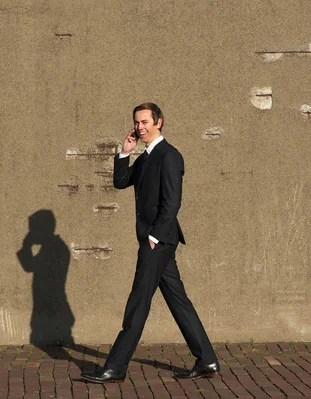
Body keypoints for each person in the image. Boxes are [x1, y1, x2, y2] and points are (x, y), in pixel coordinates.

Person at [81, 102, 219, 383]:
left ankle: (115, 367)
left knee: (138, 301)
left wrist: (154, 237)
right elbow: (121, 182)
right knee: (179, 302)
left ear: (159, 122)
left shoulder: (170, 156)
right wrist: (124, 153)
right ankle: (207, 358)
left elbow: (172, 202)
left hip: (158, 240)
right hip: (159, 240)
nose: (140, 127)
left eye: (145, 122)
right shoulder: (145, 157)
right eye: (137, 122)